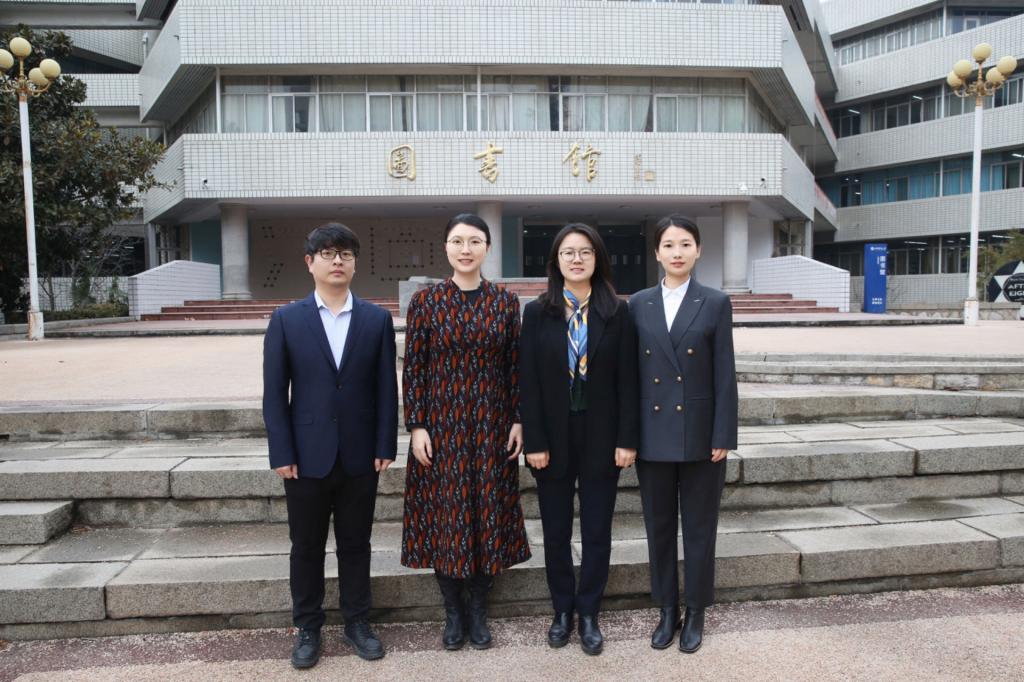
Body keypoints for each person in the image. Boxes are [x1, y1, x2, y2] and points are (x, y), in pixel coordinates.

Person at [263, 223, 398, 668]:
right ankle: (308, 627)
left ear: (355, 264)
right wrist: (282, 451)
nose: (337, 260)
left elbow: (386, 389)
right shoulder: (287, 319)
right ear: (310, 262)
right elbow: (274, 393)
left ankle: (358, 622)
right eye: (327, 253)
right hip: (305, 456)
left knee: (356, 544)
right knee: (306, 546)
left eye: (345, 254)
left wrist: (385, 444)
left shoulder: (376, 320)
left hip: (361, 453)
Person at [401, 212, 531, 651]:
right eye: (457, 241)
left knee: (488, 512)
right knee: (447, 515)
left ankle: (478, 608)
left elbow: (515, 366)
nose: (466, 249)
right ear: (446, 247)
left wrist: (518, 418)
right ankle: (453, 611)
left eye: (475, 241)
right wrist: (417, 425)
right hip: (442, 428)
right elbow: (414, 369)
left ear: (487, 248)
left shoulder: (504, 302)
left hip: (493, 425)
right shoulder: (426, 302)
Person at [520, 223, 639, 655]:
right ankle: (562, 611)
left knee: (596, 529)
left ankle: (588, 612)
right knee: (555, 530)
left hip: (601, 435)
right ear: (556, 261)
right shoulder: (538, 312)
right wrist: (534, 441)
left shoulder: (617, 311)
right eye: (568, 252)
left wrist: (627, 439)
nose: (576, 259)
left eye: (585, 251)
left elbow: (629, 380)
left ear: (597, 258)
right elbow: (528, 382)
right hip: (552, 438)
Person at [628, 214, 738, 654]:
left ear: (698, 250)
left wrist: (723, 433)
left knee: (699, 528)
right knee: (657, 527)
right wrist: (627, 435)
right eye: (669, 245)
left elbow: (725, 373)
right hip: (652, 433)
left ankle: (695, 610)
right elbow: (630, 378)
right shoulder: (638, 303)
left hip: (700, 434)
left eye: (686, 244)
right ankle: (666, 609)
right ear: (657, 252)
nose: (677, 252)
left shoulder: (715, 302)